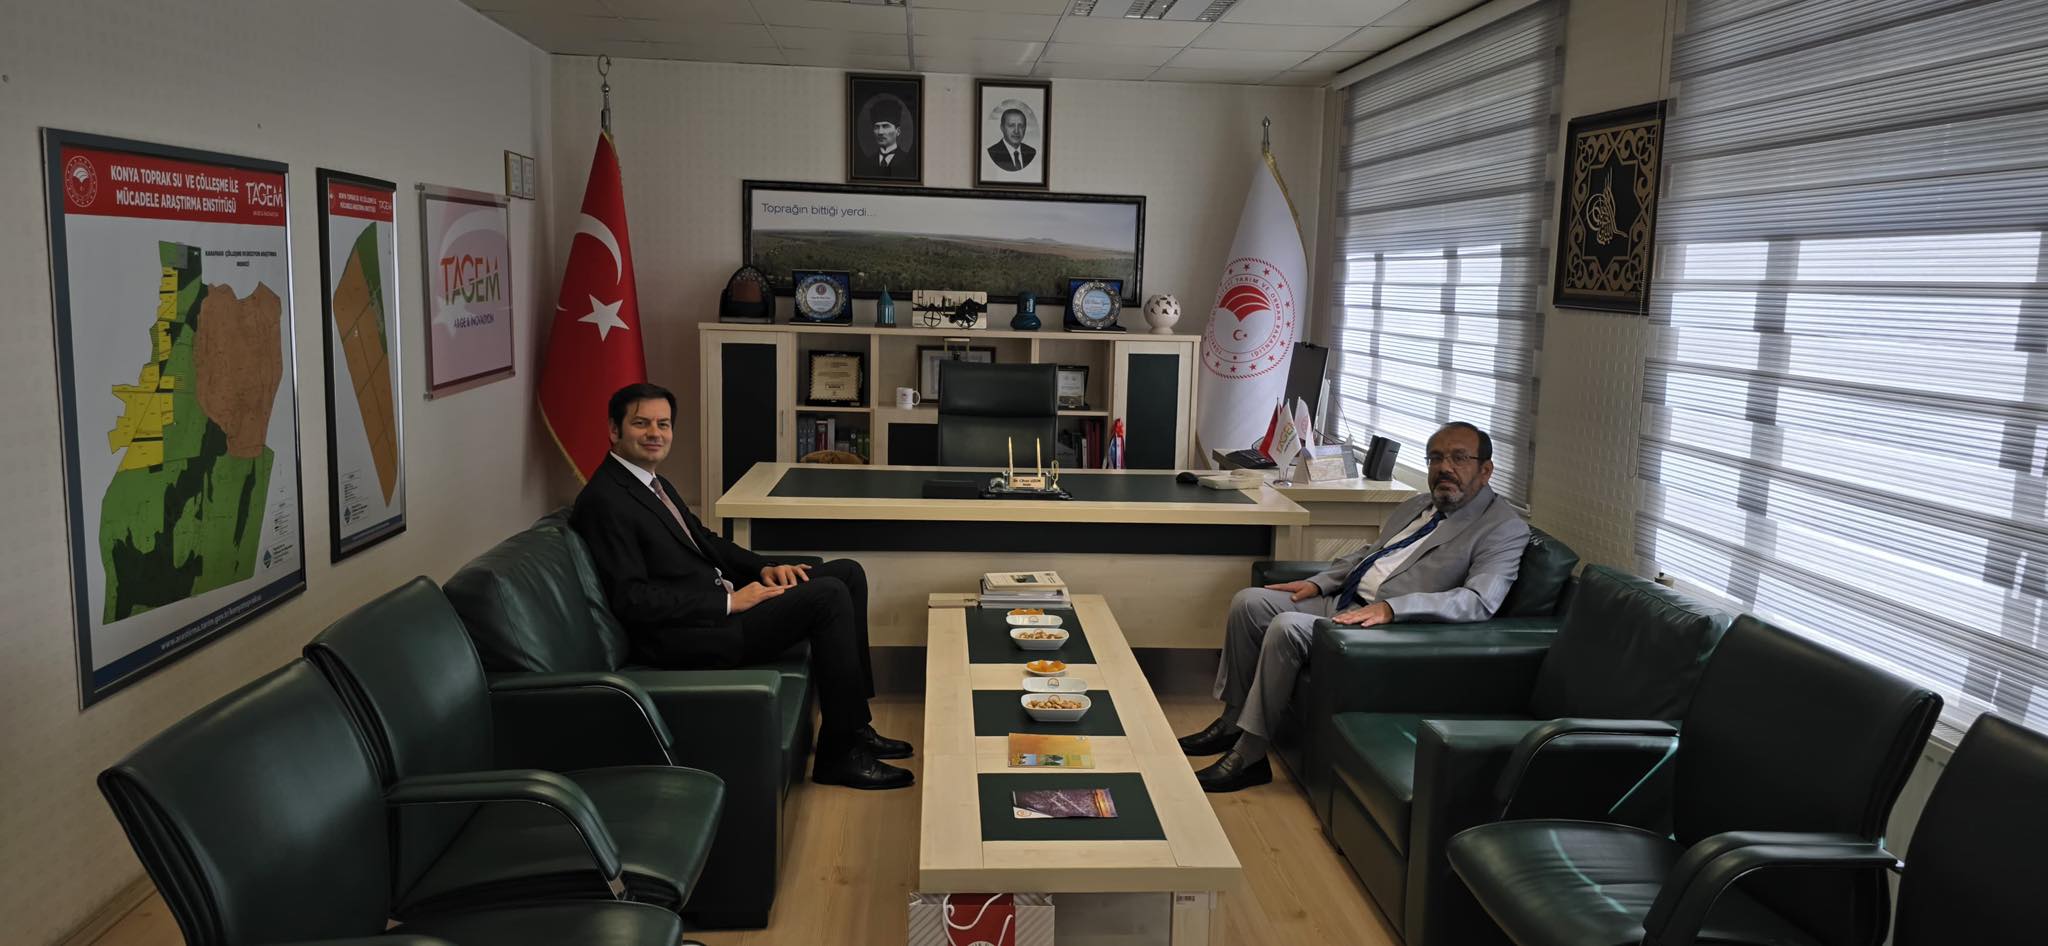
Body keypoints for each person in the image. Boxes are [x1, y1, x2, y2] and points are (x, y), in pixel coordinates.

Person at [571, 383, 915, 790]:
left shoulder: (650, 483)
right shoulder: (605, 500)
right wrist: (729, 602)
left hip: (716, 610)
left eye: (663, 424)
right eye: (641, 423)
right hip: (689, 635)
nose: (655, 434)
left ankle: (854, 727)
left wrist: (766, 568)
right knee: (828, 595)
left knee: (847, 574)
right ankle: (839, 757)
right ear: (614, 430)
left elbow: (706, 541)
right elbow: (633, 600)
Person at [1178, 422, 1529, 792]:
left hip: (1389, 627)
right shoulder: (1418, 505)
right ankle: (1232, 720)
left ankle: (1250, 755)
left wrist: (1393, 609)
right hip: (1346, 602)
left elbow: (1479, 600)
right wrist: (1319, 582)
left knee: (1287, 627)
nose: (1445, 468)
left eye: (1459, 458)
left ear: (1485, 470)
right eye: (1436, 458)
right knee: (1249, 603)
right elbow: (1371, 553)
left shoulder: (1502, 528)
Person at [854, 96, 916, 180]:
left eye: (885, 126)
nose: (880, 132)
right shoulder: (867, 162)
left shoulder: (908, 162)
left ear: (898, 131)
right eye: (877, 127)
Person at [985, 107, 1037, 172]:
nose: (1016, 131)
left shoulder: (1032, 152)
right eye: (1011, 125)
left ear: (1025, 128)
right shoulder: (992, 153)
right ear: (1002, 128)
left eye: (1021, 126)